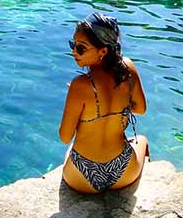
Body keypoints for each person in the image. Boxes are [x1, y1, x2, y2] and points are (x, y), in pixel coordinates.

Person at [58, 13, 149, 193]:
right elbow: (141, 109)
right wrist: (118, 104)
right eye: (73, 44)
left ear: (103, 51)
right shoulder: (128, 68)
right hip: (124, 171)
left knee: (69, 150)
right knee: (142, 140)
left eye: (81, 48)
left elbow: (65, 137)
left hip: (82, 176)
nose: (74, 51)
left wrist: (77, 100)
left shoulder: (79, 85)